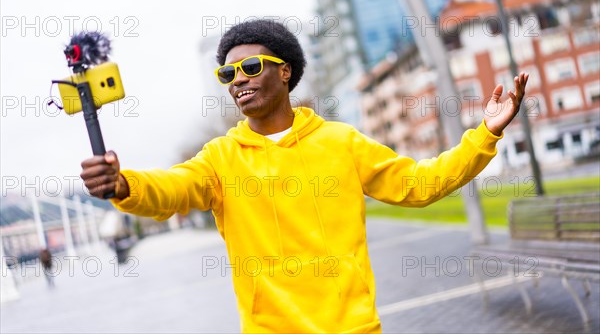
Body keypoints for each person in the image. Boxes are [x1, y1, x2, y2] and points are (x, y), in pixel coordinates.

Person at [80, 19, 528, 333]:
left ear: (284, 71)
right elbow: (171, 190)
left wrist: (485, 133)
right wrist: (124, 185)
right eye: (227, 74)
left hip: (352, 328)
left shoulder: (340, 142)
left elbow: (420, 184)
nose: (238, 80)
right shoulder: (220, 157)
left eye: (250, 67)